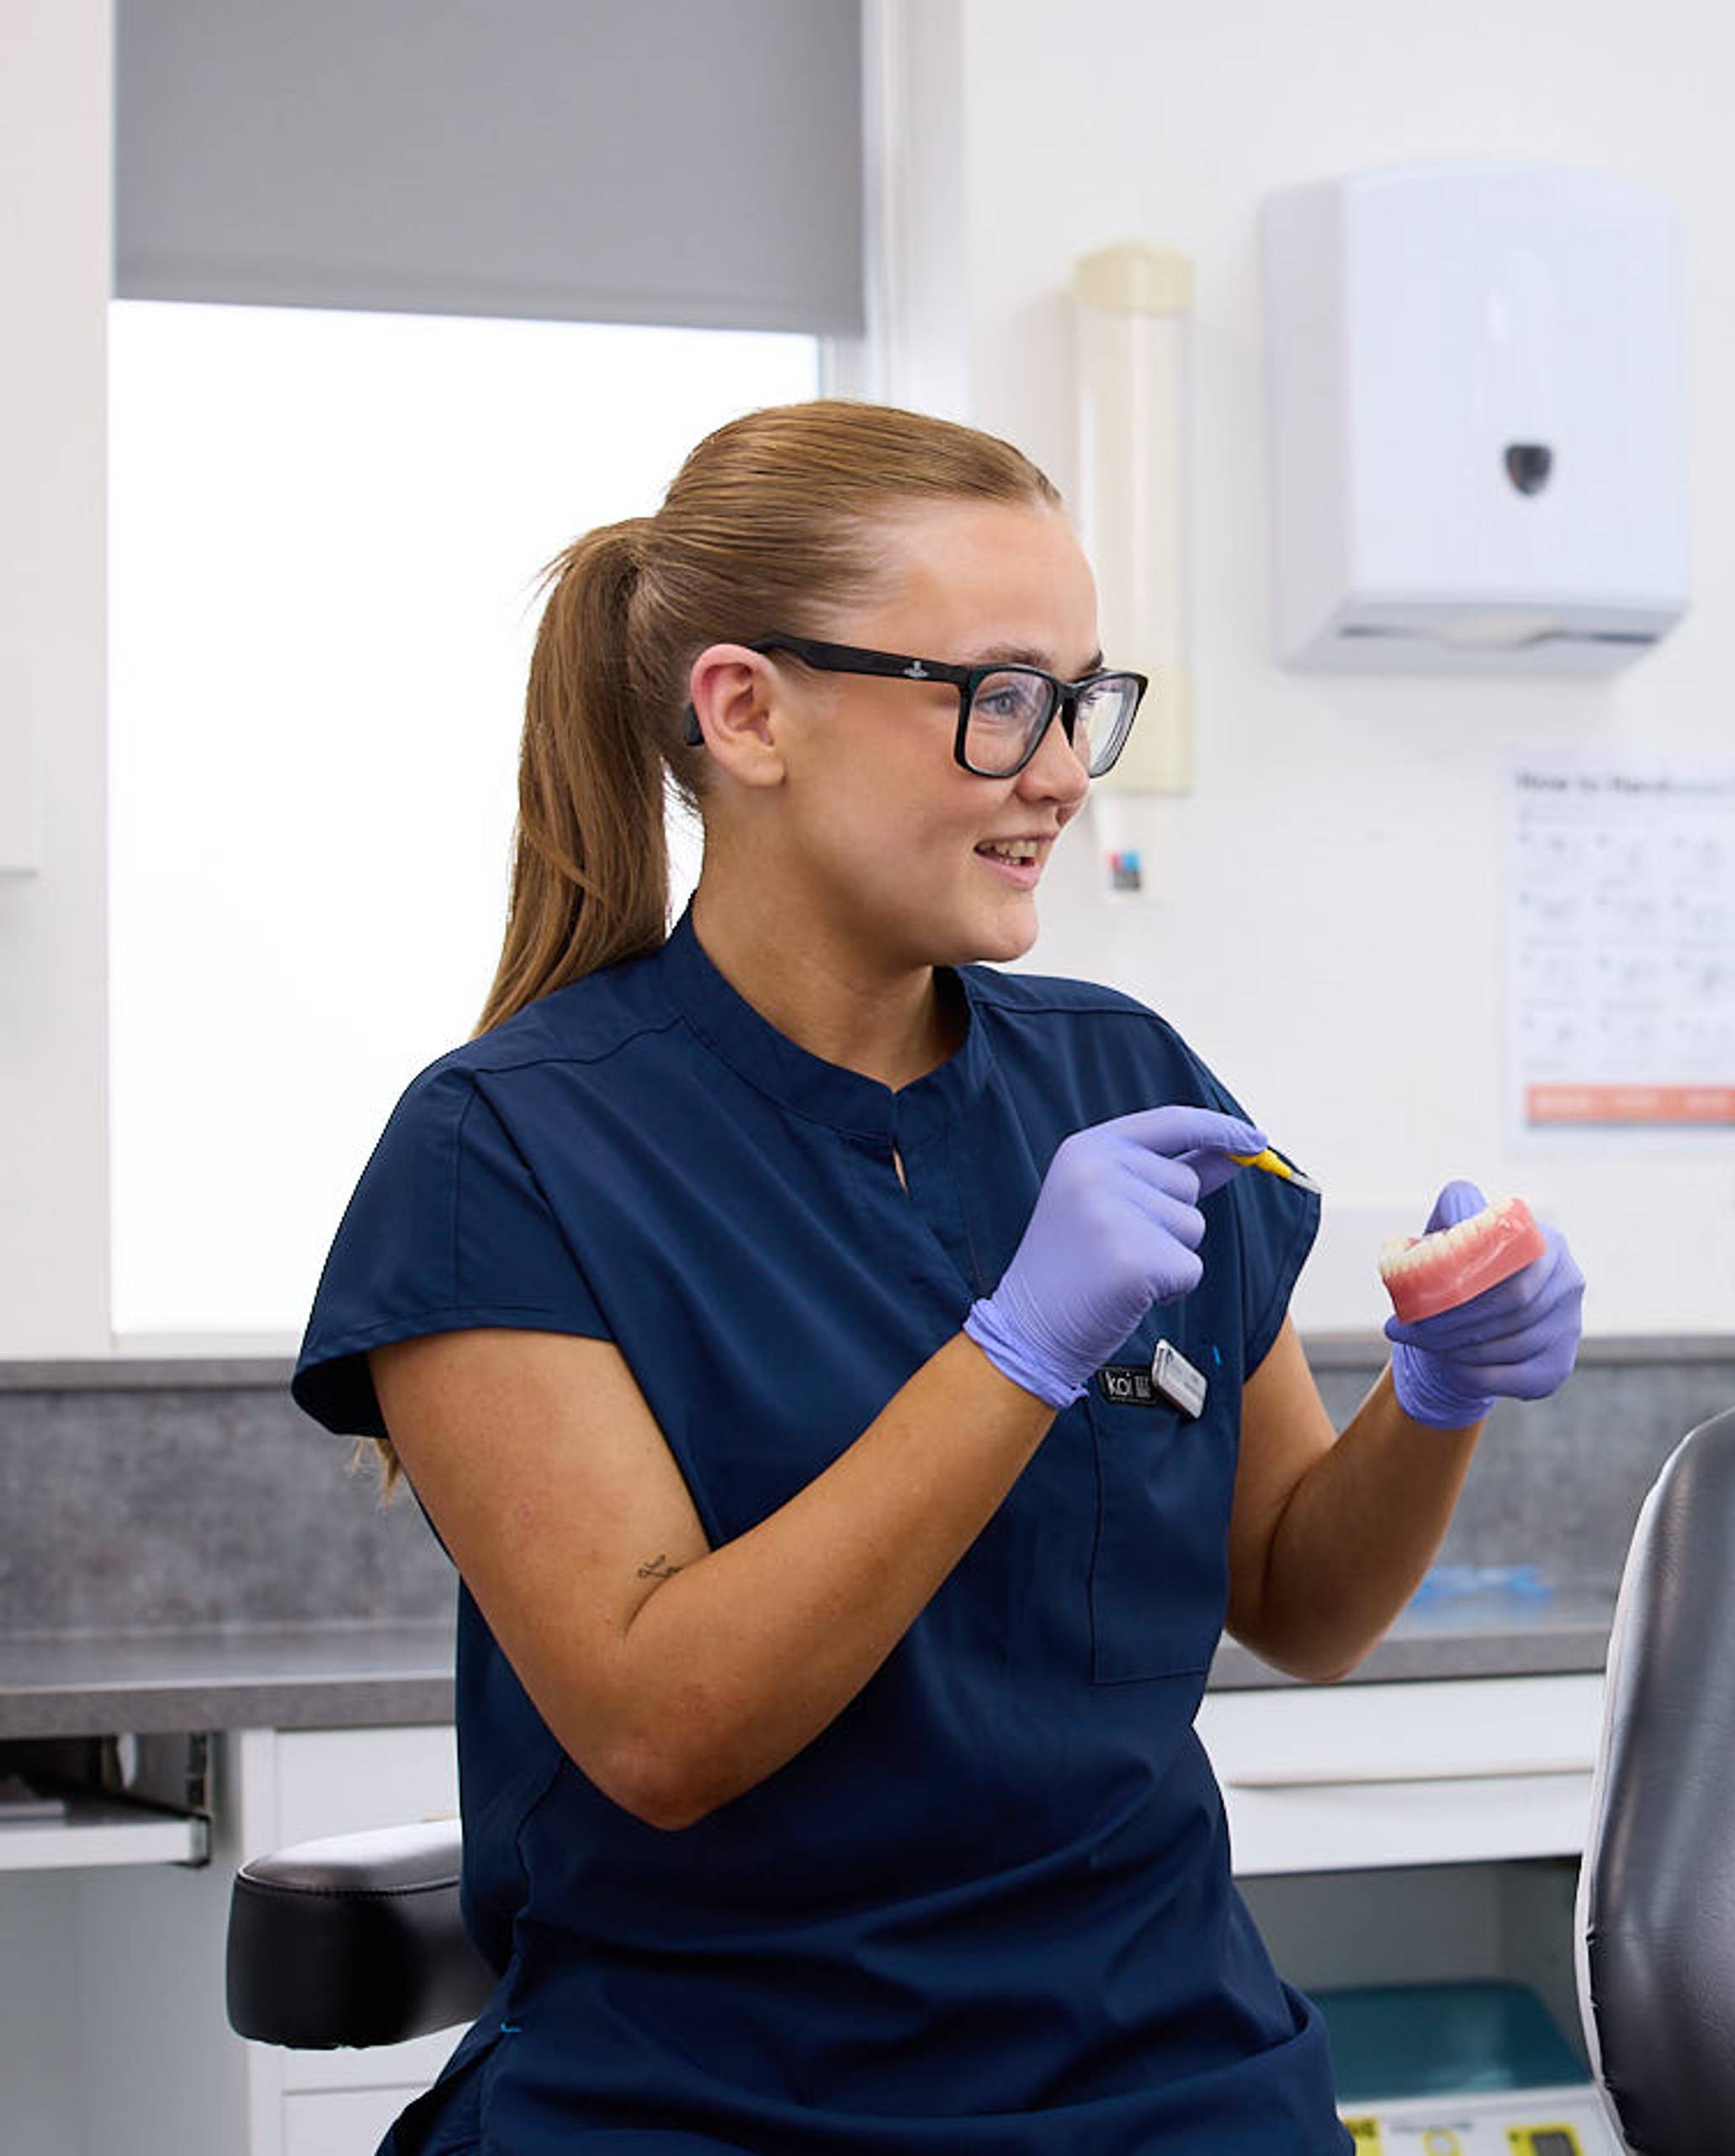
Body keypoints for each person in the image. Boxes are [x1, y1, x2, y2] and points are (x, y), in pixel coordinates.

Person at [290, 400, 1584, 2153]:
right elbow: (665, 1730)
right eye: (996, 699)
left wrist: (1438, 1397)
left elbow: (1301, 1598)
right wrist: (1017, 1351)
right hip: (704, 2106)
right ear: (748, 711)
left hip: (1170, 2086)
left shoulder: (1123, 1077)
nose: (1059, 769)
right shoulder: (506, 1152)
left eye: (1080, 700)